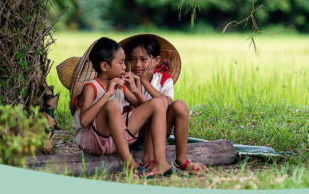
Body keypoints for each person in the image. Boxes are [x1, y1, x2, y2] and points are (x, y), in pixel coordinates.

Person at [72, 37, 174, 178]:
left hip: (117, 140)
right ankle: (130, 164)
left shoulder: (120, 85)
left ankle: (159, 162)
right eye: (121, 63)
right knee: (112, 105)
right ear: (104, 67)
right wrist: (107, 94)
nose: (125, 67)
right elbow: (84, 121)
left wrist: (135, 89)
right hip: (93, 141)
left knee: (158, 103)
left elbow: (145, 109)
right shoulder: (91, 87)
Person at [123, 35, 208, 174]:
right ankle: (148, 159)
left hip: (159, 131)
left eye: (143, 59)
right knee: (154, 110)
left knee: (179, 105)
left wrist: (144, 82)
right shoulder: (125, 80)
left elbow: (166, 103)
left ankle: (181, 160)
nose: (137, 65)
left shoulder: (163, 79)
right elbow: (135, 111)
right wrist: (135, 87)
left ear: (156, 60)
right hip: (134, 135)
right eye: (132, 59)